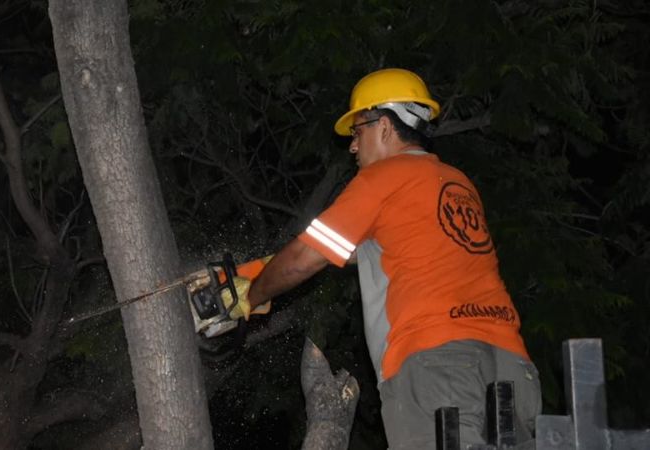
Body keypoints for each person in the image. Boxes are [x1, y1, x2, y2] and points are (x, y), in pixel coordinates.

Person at [228, 68, 542, 449]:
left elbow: (306, 258)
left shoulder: (385, 177)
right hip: (512, 368)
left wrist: (248, 298)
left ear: (386, 127)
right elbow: (353, 251)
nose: (353, 147)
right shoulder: (454, 181)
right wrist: (248, 273)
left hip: (437, 364)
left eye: (358, 132)